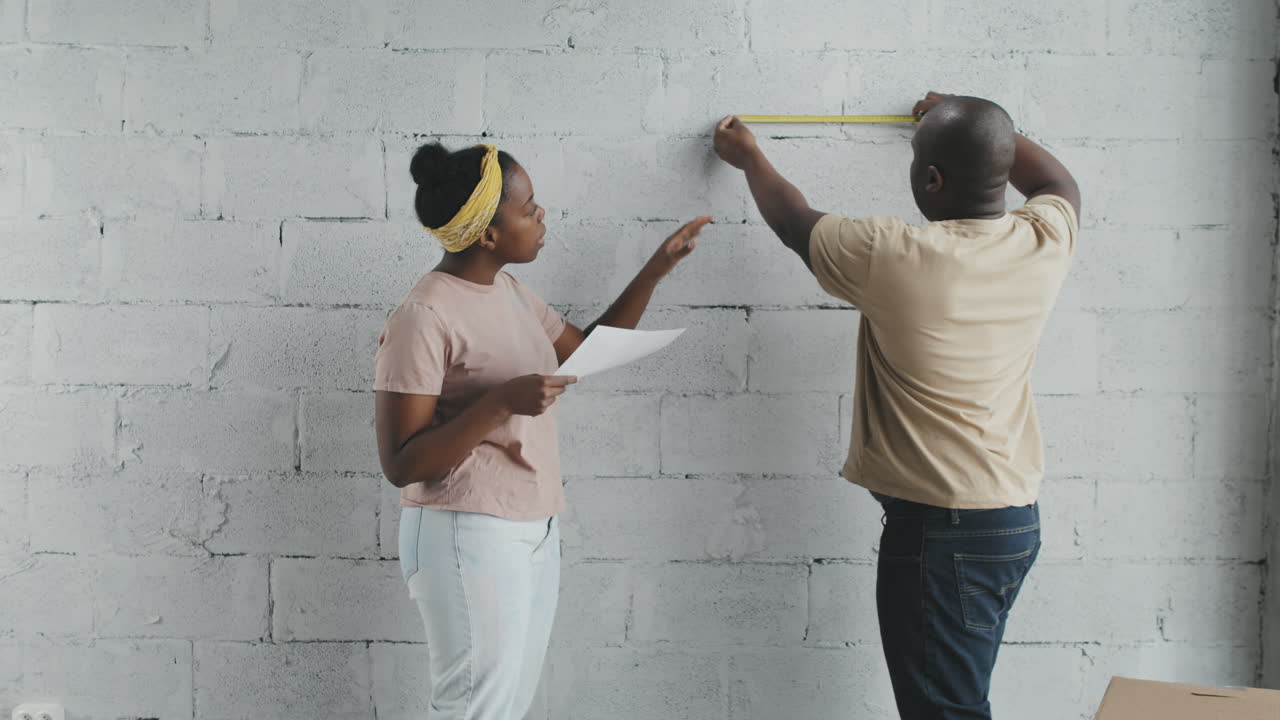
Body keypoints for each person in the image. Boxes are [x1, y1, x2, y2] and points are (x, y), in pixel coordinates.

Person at [712, 91, 1080, 719]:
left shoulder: (896, 257)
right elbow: (1056, 181)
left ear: (931, 179)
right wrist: (970, 123)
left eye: (918, 158)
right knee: (959, 704)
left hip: (944, 534)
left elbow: (795, 223)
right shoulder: (1043, 241)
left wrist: (747, 157)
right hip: (1013, 524)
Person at [374, 140, 709, 720]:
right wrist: (502, 401)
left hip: (532, 525)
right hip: (467, 530)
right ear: (489, 235)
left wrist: (656, 269)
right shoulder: (423, 314)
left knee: (504, 708)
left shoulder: (507, 291)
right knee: (474, 708)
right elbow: (402, 463)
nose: (541, 216)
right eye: (528, 209)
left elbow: (585, 352)